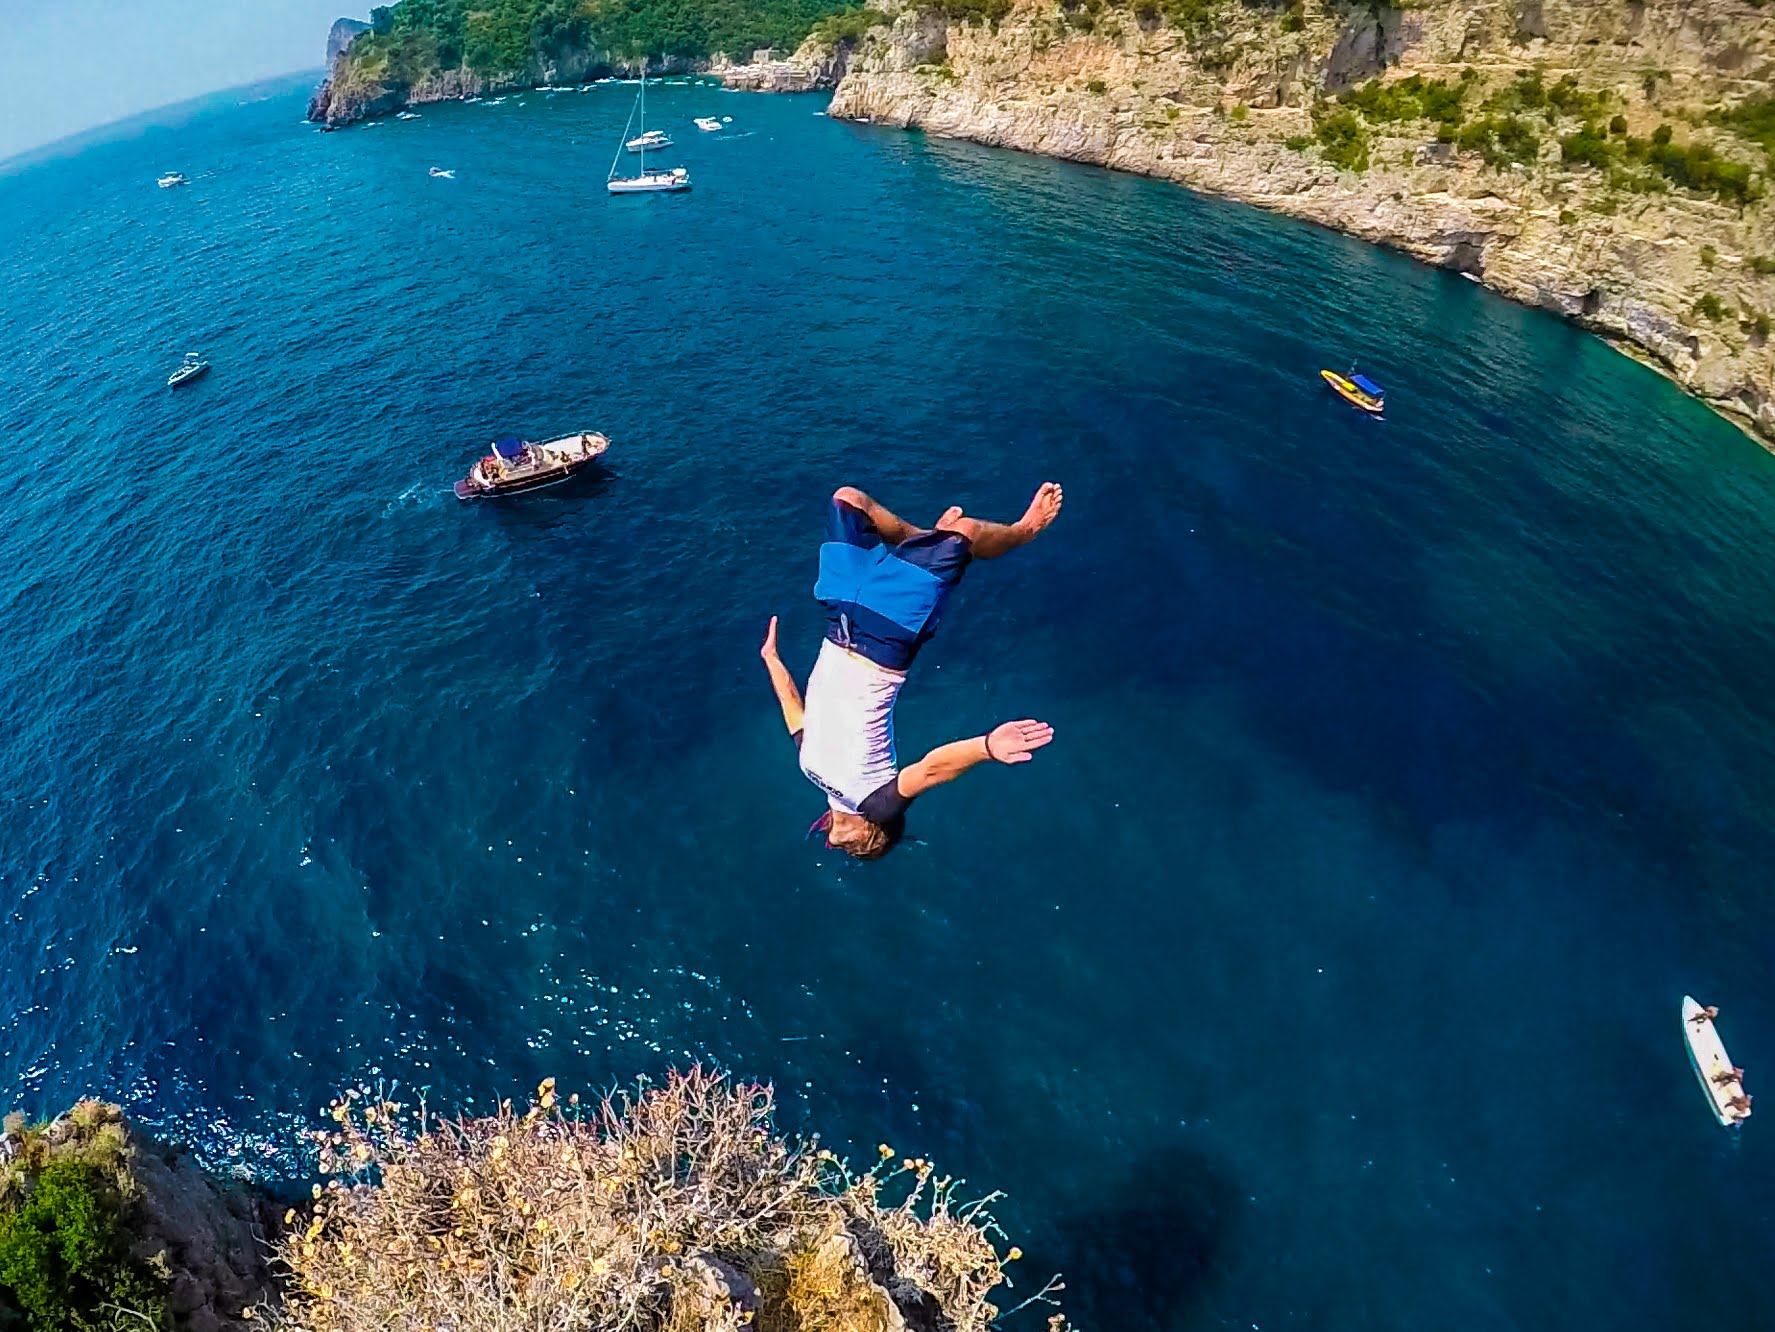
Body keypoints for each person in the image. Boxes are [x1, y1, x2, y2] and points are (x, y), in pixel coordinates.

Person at [760, 482, 1064, 859]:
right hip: (889, 634)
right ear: (875, 833)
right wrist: (985, 747)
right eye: (864, 850)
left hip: (838, 617)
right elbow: (932, 770)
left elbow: (794, 714)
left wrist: (772, 660)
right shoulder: (877, 803)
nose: (848, 849)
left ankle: (923, 540)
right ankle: (1024, 531)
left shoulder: (812, 769)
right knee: (965, 533)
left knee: (848, 501)